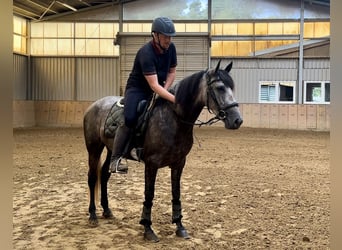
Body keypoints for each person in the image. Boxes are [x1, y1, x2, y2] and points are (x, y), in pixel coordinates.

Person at [109, 17, 177, 174]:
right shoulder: (145, 53)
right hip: (138, 89)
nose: (169, 39)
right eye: (165, 36)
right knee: (131, 117)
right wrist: (173, 98)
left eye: (170, 36)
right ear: (155, 35)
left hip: (159, 86)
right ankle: (116, 158)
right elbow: (152, 85)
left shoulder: (171, 48)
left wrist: (165, 91)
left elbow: (172, 72)